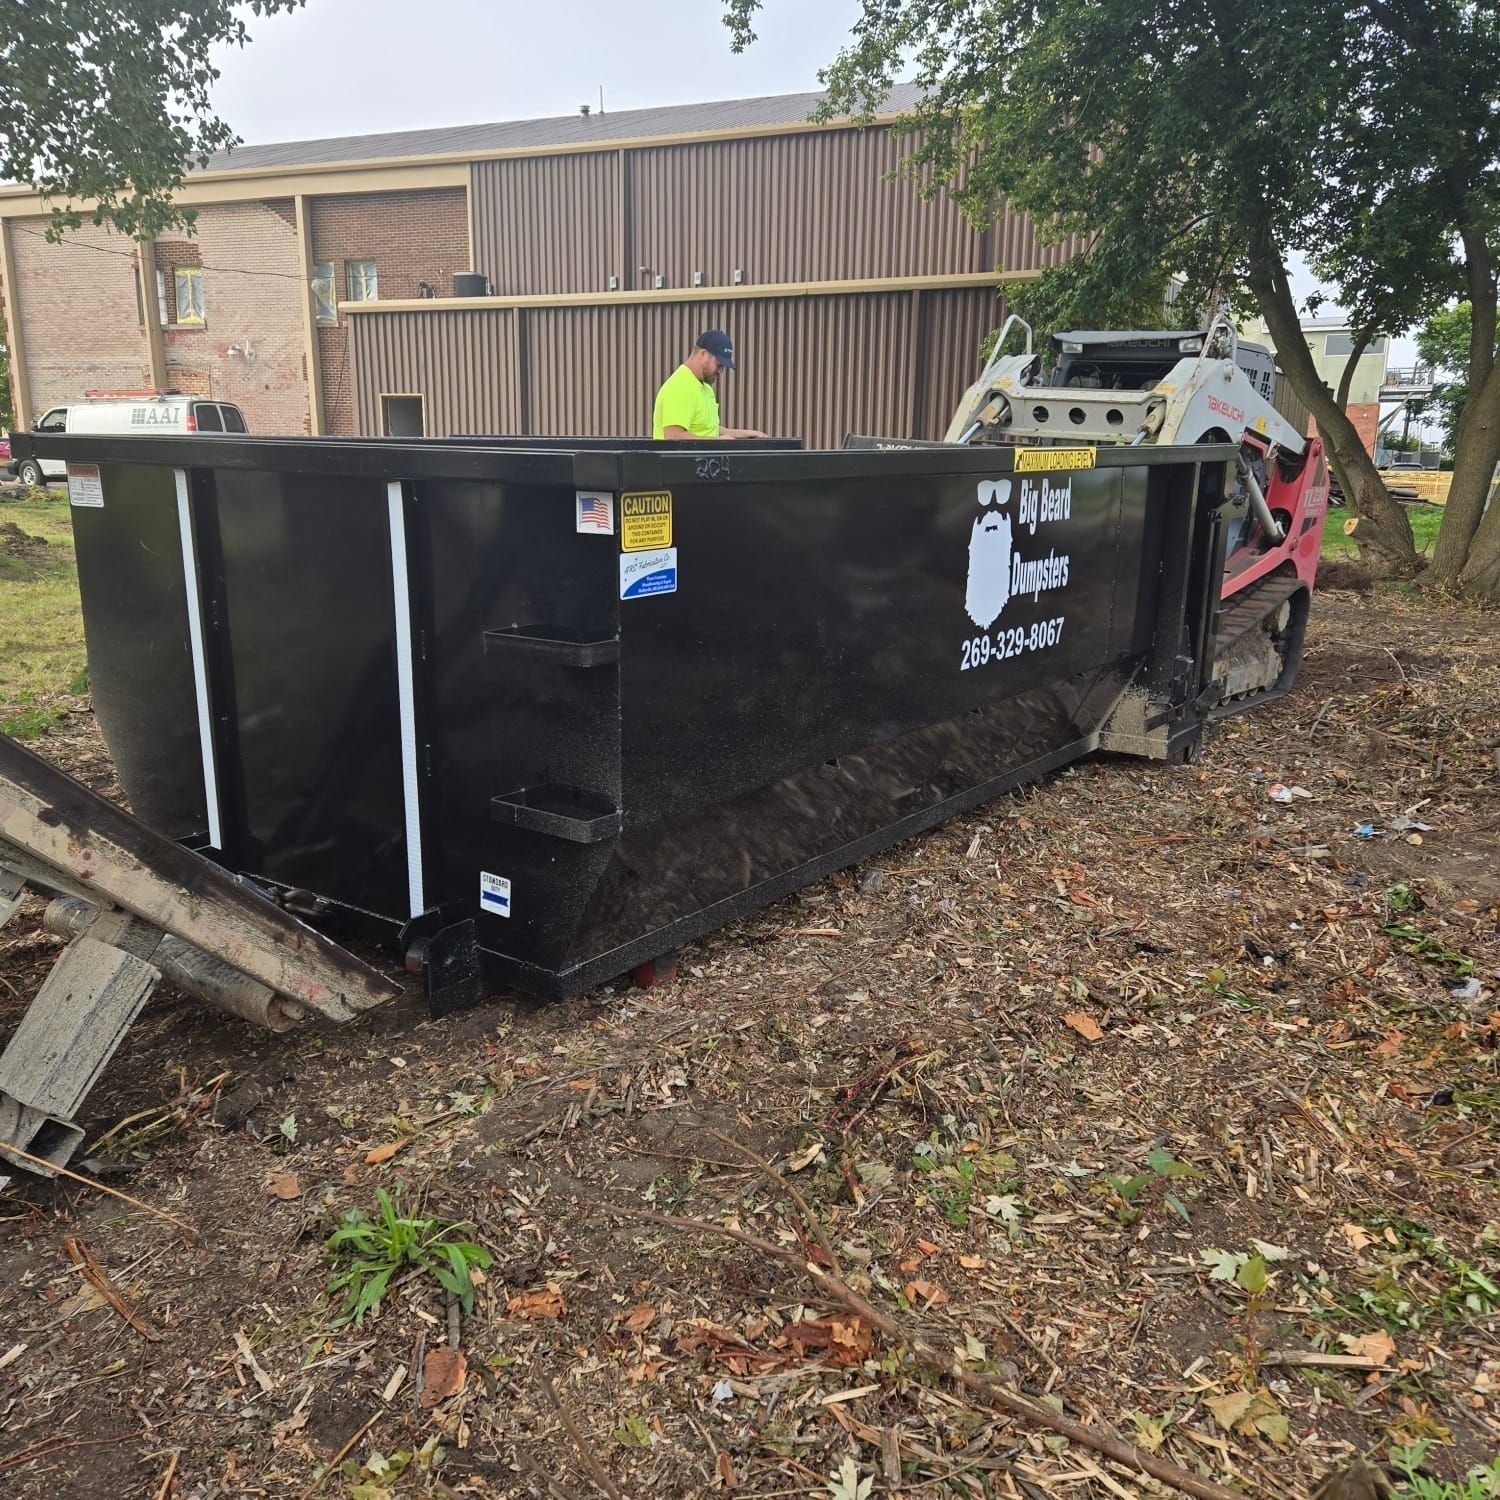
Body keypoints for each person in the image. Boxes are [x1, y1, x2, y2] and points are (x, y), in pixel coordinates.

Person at [652, 330, 767, 440]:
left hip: (703, 460)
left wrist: (746, 434)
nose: (720, 372)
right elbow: (673, 437)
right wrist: (716, 443)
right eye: (719, 365)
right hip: (681, 461)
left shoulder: (705, 387)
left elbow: (709, 429)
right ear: (703, 354)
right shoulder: (679, 388)